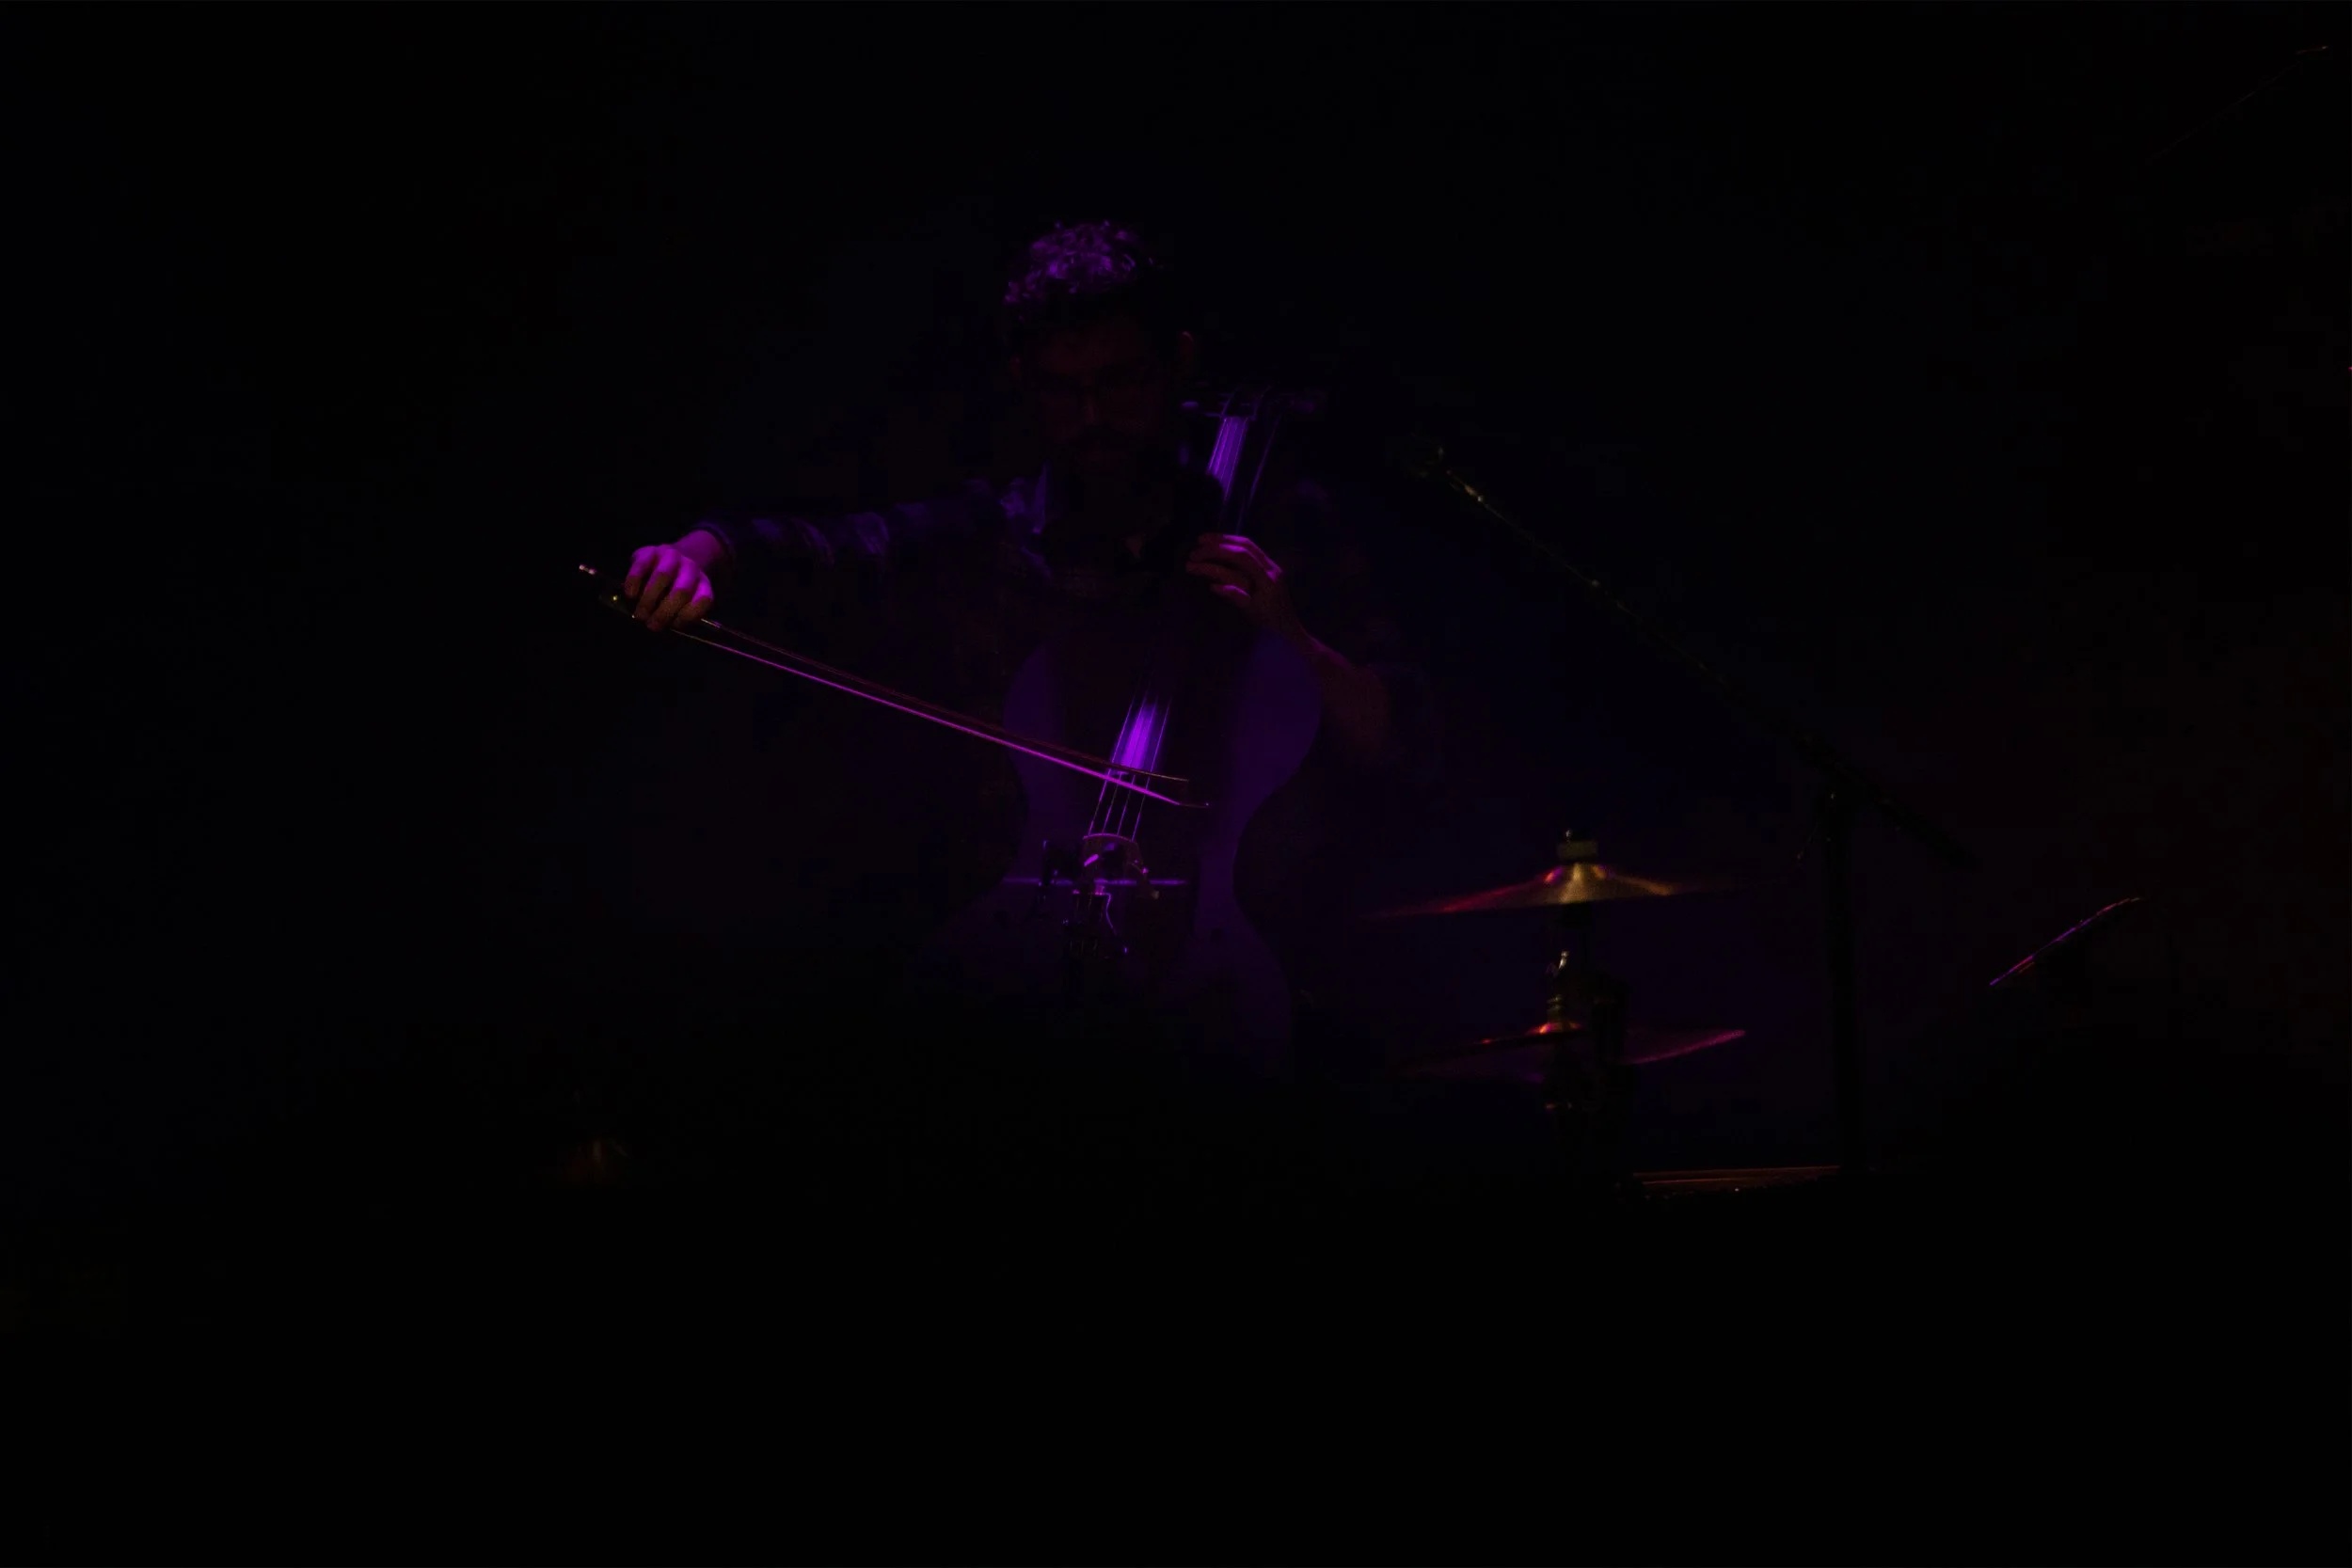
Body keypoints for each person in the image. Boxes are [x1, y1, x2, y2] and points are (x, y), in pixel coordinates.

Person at [617, 222, 1436, 1204]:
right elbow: (828, 547)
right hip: (1030, 961)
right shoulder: (996, 536)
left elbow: (1397, 739)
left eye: (1120, 383)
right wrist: (702, 553)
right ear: (1023, 383)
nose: (1092, 417)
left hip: (1257, 964)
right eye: (1060, 390)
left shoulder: (1281, 521)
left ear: (1177, 363)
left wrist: (1290, 636)